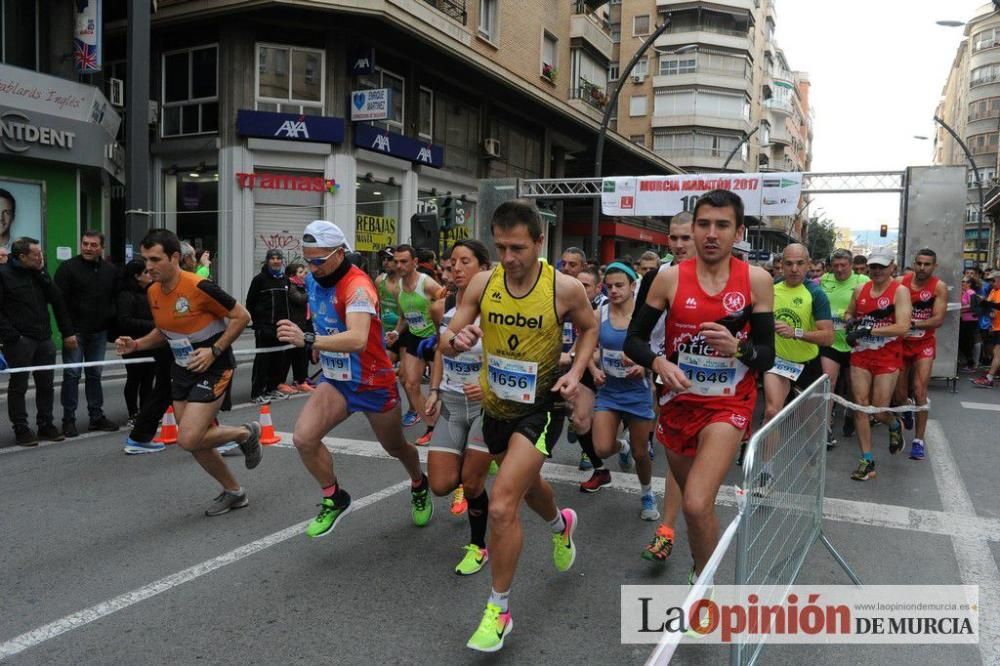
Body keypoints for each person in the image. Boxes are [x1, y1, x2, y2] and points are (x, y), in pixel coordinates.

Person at [443, 200, 596, 652]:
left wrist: (576, 371)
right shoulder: (481, 282)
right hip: (495, 407)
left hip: (540, 408)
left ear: (539, 242)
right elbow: (447, 339)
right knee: (529, 488)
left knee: (502, 505)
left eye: (518, 248)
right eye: (502, 247)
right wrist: (457, 338)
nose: (509, 258)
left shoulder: (563, 288)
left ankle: (499, 610)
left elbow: (588, 328)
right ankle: (560, 524)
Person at [624, 189, 775, 585]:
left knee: (694, 502)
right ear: (693, 229)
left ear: (738, 231)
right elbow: (634, 341)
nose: (712, 233)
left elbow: (767, 356)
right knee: (695, 502)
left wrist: (740, 347)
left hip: (729, 403)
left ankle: (703, 585)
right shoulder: (668, 279)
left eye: (722, 225)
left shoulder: (756, 280)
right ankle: (699, 561)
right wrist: (658, 363)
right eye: (704, 224)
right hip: (677, 403)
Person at [276, 220, 432, 539]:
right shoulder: (315, 281)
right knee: (303, 438)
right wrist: (320, 342)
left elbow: (358, 338)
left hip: (372, 380)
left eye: (318, 261)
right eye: (307, 260)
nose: (312, 267)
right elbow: (326, 320)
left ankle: (419, 482)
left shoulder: (358, 285)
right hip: (337, 379)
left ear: (339, 253)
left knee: (395, 447)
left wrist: (309, 341)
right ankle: (335, 498)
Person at [115, 229, 263, 515]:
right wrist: (136, 344)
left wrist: (215, 350)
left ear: (174, 257)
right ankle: (234, 491)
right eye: (145, 259)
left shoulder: (200, 286)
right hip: (182, 368)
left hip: (213, 366)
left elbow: (242, 316)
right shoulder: (154, 291)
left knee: (188, 438)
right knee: (196, 441)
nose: (148, 266)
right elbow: (164, 331)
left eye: (155, 259)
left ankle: (245, 434)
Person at [424, 239, 495, 575]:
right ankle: (474, 461)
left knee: (472, 483)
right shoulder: (448, 310)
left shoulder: (499, 313)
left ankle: (479, 546)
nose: (456, 268)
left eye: (465, 261)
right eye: (452, 262)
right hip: (452, 403)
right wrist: (434, 390)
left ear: (484, 268)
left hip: (486, 406)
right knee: (439, 484)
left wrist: (486, 386)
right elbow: (440, 350)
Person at [633, 211, 693, 563]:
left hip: (724, 393)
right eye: (675, 238)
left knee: (701, 484)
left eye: (687, 237)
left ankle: (702, 559)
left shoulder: (733, 279)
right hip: (669, 378)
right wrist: (653, 363)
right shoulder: (658, 277)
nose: (680, 244)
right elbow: (639, 335)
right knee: (678, 453)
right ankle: (667, 530)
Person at [588, 262, 659, 521]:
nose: (614, 290)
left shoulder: (644, 316)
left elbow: (659, 351)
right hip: (609, 391)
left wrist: (644, 365)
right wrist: (593, 369)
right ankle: (622, 446)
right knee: (603, 448)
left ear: (632, 286)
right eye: (609, 286)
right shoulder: (600, 312)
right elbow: (586, 345)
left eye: (620, 285)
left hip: (637, 393)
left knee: (643, 454)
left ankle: (647, 492)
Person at [843, 249, 912, 481]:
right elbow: (849, 313)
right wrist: (851, 324)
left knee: (879, 409)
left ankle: (894, 424)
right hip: (861, 354)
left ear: (892, 266)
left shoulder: (900, 291)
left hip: (888, 355)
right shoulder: (860, 289)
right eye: (873, 266)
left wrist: (870, 329)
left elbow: (903, 327)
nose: (877, 271)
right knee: (860, 406)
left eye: (882, 266)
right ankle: (867, 460)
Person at [0, 237, 75, 446]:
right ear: (22, 256)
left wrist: (42, 273)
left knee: (46, 384)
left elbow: (56, 299)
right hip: (20, 340)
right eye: (36, 255)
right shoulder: (4, 275)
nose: (40, 257)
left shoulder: (38, 273)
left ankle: (46, 424)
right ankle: (21, 428)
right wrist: (12, 336)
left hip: (44, 338)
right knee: (19, 386)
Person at [54, 230, 120, 436]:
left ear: (102, 248)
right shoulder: (67, 269)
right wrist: (67, 332)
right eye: (85, 243)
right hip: (75, 333)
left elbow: (115, 300)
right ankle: (68, 419)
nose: (88, 248)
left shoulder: (111, 270)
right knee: (72, 374)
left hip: (99, 332)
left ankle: (96, 416)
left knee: (95, 375)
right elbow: (59, 304)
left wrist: (113, 330)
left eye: (93, 245)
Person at [763, 244, 833, 435]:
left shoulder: (816, 294)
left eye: (800, 263)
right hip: (778, 363)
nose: (794, 269)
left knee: (809, 422)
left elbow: (828, 337)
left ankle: (813, 459)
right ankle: (764, 465)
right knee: (771, 413)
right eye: (789, 264)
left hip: (807, 365)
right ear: (781, 265)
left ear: (808, 264)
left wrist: (796, 332)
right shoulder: (770, 288)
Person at [386, 244, 444, 444]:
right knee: (410, 384)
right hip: (414, 337)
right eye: (396, 261)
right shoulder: (398, 287)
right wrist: (395, 331)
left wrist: (441, 335)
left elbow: (447, 307)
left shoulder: (428, 284)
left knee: (443, 388)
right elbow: (404, 317)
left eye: (404, 261)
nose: (399, 265)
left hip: (436, 339)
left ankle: (451, 428)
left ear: (415, 263)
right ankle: (431, 427)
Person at [893, 249, 948, 460]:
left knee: (920, 391)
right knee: (898, 395)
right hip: (901, 342)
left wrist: (912, 323)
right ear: (914, 264)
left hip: (923, 343)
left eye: (927, 264)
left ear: (934, 266)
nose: (922, 268)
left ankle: (918, 440)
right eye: (919, 263)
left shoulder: (939, 287)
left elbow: (938, 320)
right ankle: (905, 408)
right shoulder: (900, 282)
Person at [819, 249, 869, 442]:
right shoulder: (825, 279)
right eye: (836, 266)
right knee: (829, 383)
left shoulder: (862, 281)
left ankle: (850, 414)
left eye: (843, 266)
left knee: (853, 387)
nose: (839, 270)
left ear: (850, 265)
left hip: (853, 342)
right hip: (831, 341)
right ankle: (826, 428)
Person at [246, 249, 293, 402]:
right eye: (272, 258)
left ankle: (272, 388)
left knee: (278, 360)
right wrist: (258, 322)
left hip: (282, 327)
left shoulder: (285, 280)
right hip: (264, 327)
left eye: (278, 258)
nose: (275, 261)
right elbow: (250, 302)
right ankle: (257, 392)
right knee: (263, 361)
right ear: (267, 261)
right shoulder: (260, 279)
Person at [117, 259, 158, 425]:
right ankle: (133, 413)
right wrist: (153, 325)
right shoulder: (126, 295)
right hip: (133, 343)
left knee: (148, 379)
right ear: (137, 276)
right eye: (146, 272)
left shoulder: (150, 293)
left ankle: (146, 411)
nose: (150, 275)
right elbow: (125, 321)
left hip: (151, 342)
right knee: (134, 378)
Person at [281, 262, 314, 392]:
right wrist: (310, 292)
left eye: (305, 272)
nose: (304, 275)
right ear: (292, 275)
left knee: (302, 355)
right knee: (288, 355)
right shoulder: (291, 285)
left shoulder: (303, 286)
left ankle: (300, 380)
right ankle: (281, 382)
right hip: (294, 324)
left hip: (304, 324)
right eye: (301, 272)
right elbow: (299, 299)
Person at [972, 270, 1000, 387]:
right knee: (994, 352)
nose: (991, 283)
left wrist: (987, 303)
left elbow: (996, 305)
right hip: (995, 326)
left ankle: (990, 377)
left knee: (997, 352)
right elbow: (989, 306)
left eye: (993, 281)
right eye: (989, 281)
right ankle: (992, 374)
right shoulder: (993, 291)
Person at [374, 247, 402, 362]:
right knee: (382, 366)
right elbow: (375, 307)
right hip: (385, 333)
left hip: (403, 332)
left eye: (389, 259)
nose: (385, 262)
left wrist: (397, 321)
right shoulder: (380, 280)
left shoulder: (405, 283)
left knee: (405, 376)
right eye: (383, 259)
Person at [959, 276, 981, 372]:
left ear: (969, 283)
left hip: (970, 320)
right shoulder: (965, 293)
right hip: (964, 320)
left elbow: (972, 306)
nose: (962, 283)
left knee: (966, 342)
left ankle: (971, 363)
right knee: (963, 342)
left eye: (964, 281)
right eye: (962, 281)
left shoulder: (971, 292)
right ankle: (970, 362)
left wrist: (959, 307)